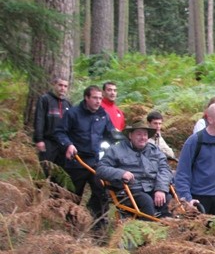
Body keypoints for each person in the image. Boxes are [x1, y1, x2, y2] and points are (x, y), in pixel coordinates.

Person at [55, 85, 116, 230]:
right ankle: (70, 227)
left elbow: (111, 134)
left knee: (101, 193)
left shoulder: (103, 115)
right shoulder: (73, 113)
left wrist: (125, 140)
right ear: (86, 98)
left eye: (100, 98)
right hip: (76, 161)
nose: (98, 101)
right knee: (73, 196)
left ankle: (98, 226)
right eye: (95, 98)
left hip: (96, 162)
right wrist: (68, 145)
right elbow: (59, 132)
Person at [96, 121, 173, 219]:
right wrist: (121, 173)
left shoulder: (154, 151)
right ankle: (148, 231)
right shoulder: (116, 150)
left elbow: (165, 169)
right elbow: (101, 169)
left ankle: (169, 229)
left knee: (168, 200)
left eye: (145, 134)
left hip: (154, 187)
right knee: (147, 202)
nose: (143, 137)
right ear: (130, 135)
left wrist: (161, 189)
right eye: (139, 134)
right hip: (131, 190)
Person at [33, 77, 72, 176]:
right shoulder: (45, 99)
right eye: (60, 85)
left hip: (63, 143)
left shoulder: (67, 104)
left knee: (60, 172)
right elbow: (39, 119)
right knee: (44, 170)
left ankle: (55, 191)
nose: (62, 88)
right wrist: (39, 140)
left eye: (65, 86)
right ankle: (38, 190)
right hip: (48, 141)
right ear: (54, 85)